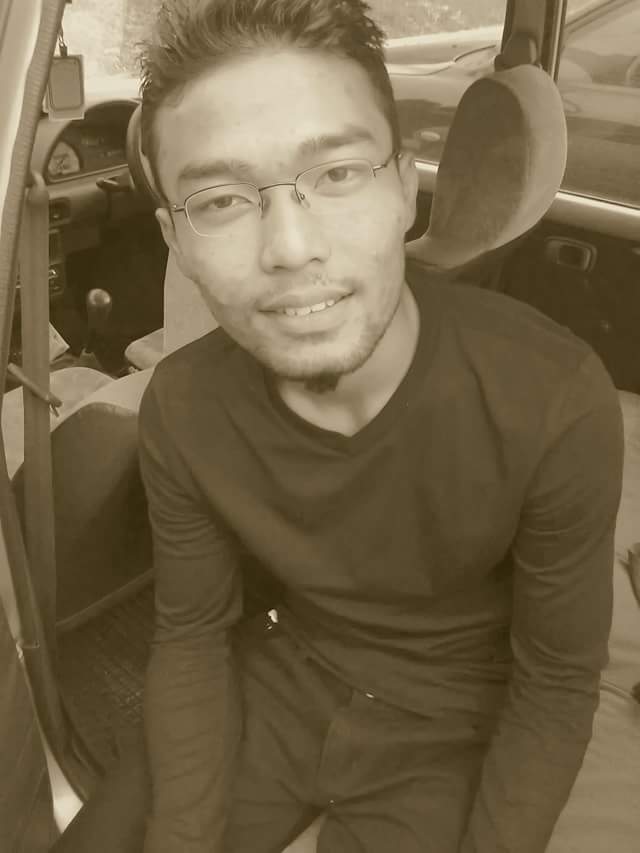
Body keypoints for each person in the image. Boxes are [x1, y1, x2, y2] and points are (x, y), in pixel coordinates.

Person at [134, 1, 624, 851]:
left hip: (460, 713)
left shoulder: (555, 400)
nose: (290, 247)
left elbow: (554, 680)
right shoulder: (180, 407)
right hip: (285, 676)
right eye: (220, 198)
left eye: (337, 173)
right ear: (175, 239)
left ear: (403, 189)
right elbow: (191, 633)